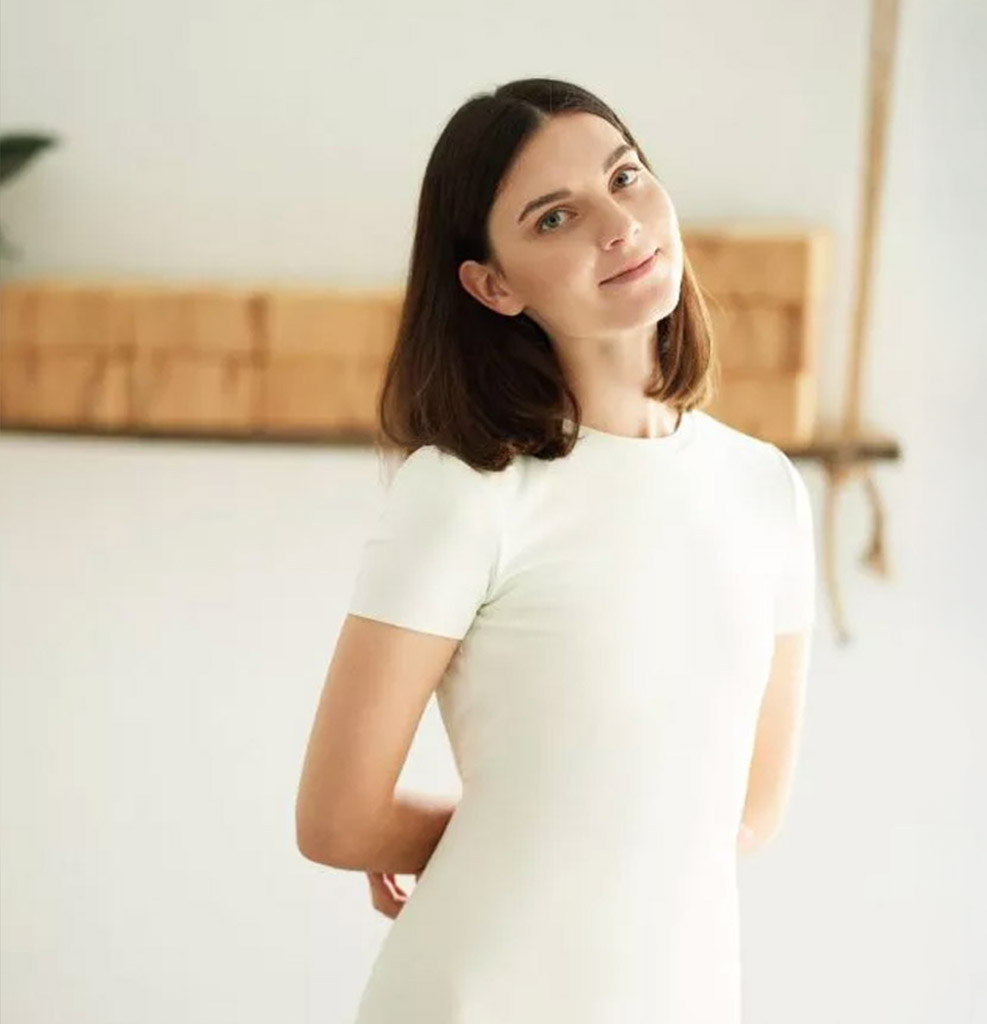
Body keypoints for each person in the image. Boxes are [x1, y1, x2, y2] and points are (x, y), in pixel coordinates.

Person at [294, 77, 816, 1024]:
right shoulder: (465, 491)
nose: (619, 225)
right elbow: (336, 818)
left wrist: (526, 828)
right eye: (555, 217)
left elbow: (749, 808)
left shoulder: (764, 489)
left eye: (626, 177)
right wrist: (491, 838)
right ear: (492, 285)